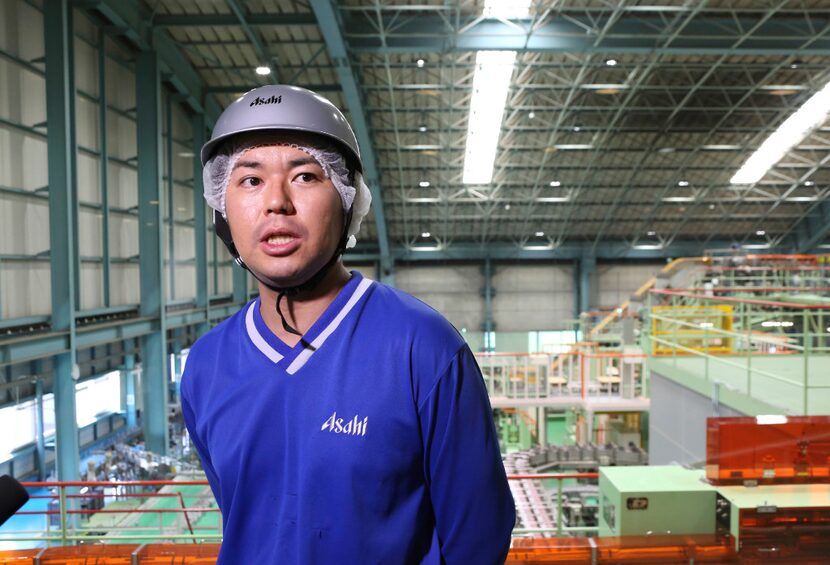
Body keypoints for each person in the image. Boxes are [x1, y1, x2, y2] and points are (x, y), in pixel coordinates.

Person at [181, 85, 515, 564]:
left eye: (304, 176)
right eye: (249, 181)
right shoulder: (206, 365)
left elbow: (477, 540)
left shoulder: (423, 349)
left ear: (347, 201)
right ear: (222, 210)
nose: (276, 202)